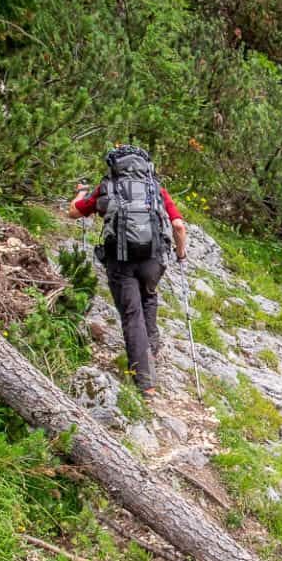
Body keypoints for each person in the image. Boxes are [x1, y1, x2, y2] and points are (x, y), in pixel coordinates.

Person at [69, 144, 186, 399]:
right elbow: (178, 225)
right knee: (149, 297)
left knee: (132, 315)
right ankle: (150, 351)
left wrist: (80, 194)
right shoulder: (156, 189)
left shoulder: (109, 187)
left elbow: (75, 212)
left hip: (120, 260)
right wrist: (181, 254)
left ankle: (146, 383)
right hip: (152, 259)